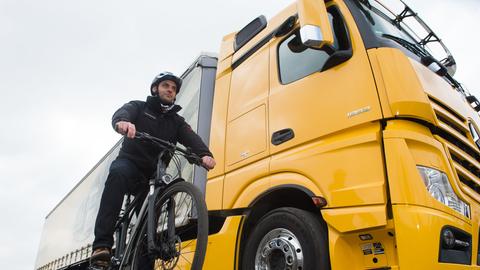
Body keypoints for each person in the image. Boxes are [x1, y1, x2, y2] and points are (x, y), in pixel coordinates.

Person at [89, 72, 216, 268]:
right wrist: (123, 122)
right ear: (156, 88)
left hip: (153, 175)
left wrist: (204, 154)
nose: (170, 90)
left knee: (151, 218)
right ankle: (101, 246)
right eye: (166, 85)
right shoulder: (140, 107)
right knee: (118, 174)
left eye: (174, 88)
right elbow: (123, 112)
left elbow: (191, 138)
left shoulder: (176, 121)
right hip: (130, 163)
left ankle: (143, 263)